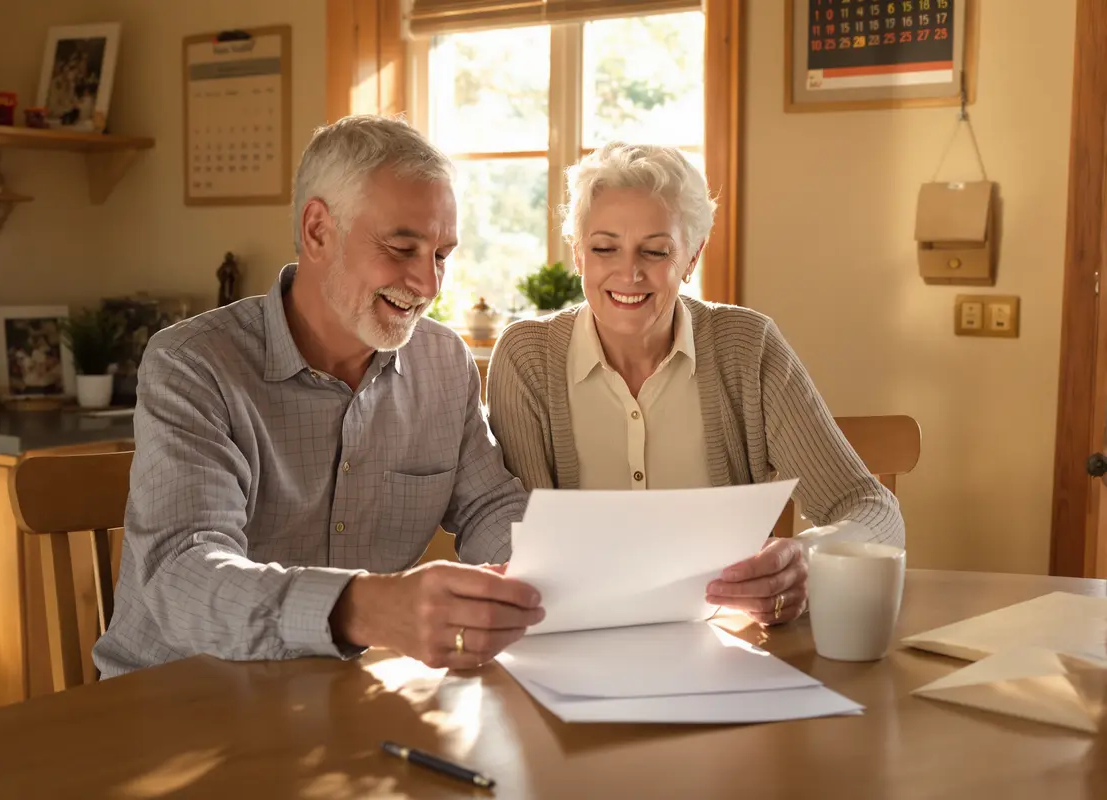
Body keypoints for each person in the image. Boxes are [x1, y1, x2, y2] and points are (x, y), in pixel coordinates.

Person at [94, 115, 543, 678]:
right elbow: (183, 574)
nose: (428, 285)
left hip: (339, 697)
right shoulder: (193, 365)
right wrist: (363, 607)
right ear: (317, 232)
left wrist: (551, 576)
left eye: (441, 255)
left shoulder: (443, 361)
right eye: (402, 247)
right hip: (177, 701)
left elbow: (487, 507)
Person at [486, 142, 904, 628]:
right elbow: (523, 548)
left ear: (692, 257)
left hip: (725, 640)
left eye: (656, 250)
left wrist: (805, 560)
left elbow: (874, 509)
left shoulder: (747, 346)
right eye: (604, 248)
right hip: (572, 642)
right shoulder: (526, 358)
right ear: (578, 254)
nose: (629, 272)